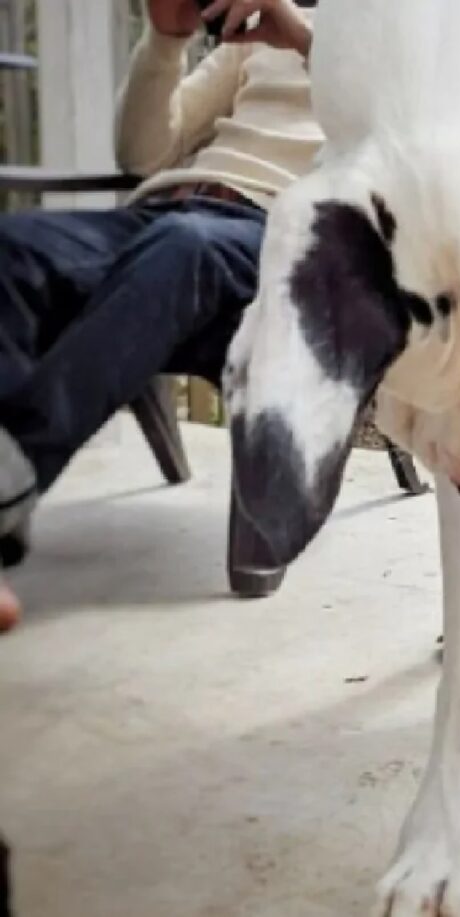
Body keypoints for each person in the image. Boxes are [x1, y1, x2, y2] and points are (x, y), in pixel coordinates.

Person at [0, 0, 322, 631]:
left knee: (185, 248)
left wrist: (305, 35)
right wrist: (165, 42)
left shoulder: (394, 47)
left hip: (276, 236)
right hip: (169, 216)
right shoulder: (249, 44)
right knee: (11, 250)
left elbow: (411, 133)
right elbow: (145, 154)